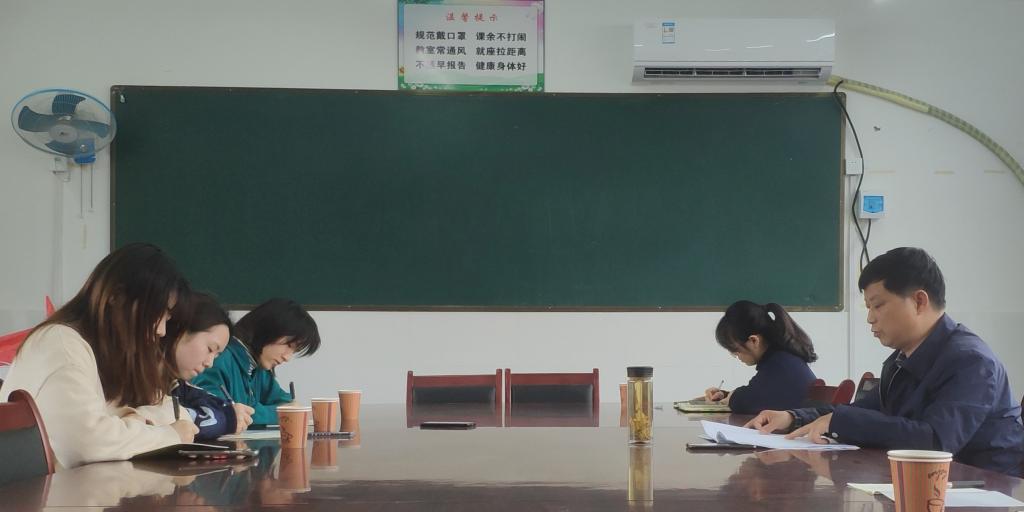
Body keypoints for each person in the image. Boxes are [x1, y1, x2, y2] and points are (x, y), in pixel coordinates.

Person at [745, 247, 1024, 476]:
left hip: (986, 490)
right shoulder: (900, 360)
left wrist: (843, 421)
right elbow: (860, 411)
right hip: (924, 484)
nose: (870, 318)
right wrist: (793, 417)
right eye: (868, 307)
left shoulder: (970, 361)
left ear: (919, 301)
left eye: (878, 305)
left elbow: (936, 442)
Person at [0, 243, 199, 467]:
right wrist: (169, 435)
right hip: (42, 490)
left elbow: (180, 415)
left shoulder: (112, 353)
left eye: (167, 319)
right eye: (157, 313)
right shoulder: (61, 344)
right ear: (116, 296)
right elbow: (86, 443)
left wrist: (140, 418)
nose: (161, 330)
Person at [137, 293, 256, 440]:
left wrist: (229, 413)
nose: (209, 363)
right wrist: (227, 419)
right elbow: (166, 420)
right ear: (180, 331)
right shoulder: (135, 376)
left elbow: (207, 401)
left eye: (216, 355)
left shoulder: (174, 384)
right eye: (210, 349)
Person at [192, 298, 321, 427]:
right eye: (289, 345)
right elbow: (216, 413)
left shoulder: (259, 367)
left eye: (294, 351)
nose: (287, 357)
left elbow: (284, 402)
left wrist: (285, 410)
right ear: (269, 329)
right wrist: (281, 413)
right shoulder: (218, 359)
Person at [702, 300, 818, 414]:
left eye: (735, 350)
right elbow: (758, 394)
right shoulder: (781, 358)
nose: (734, 356)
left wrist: (732, 398)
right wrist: (725, 395)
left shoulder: (779, 364)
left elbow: (745, 402)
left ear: (754, 340)